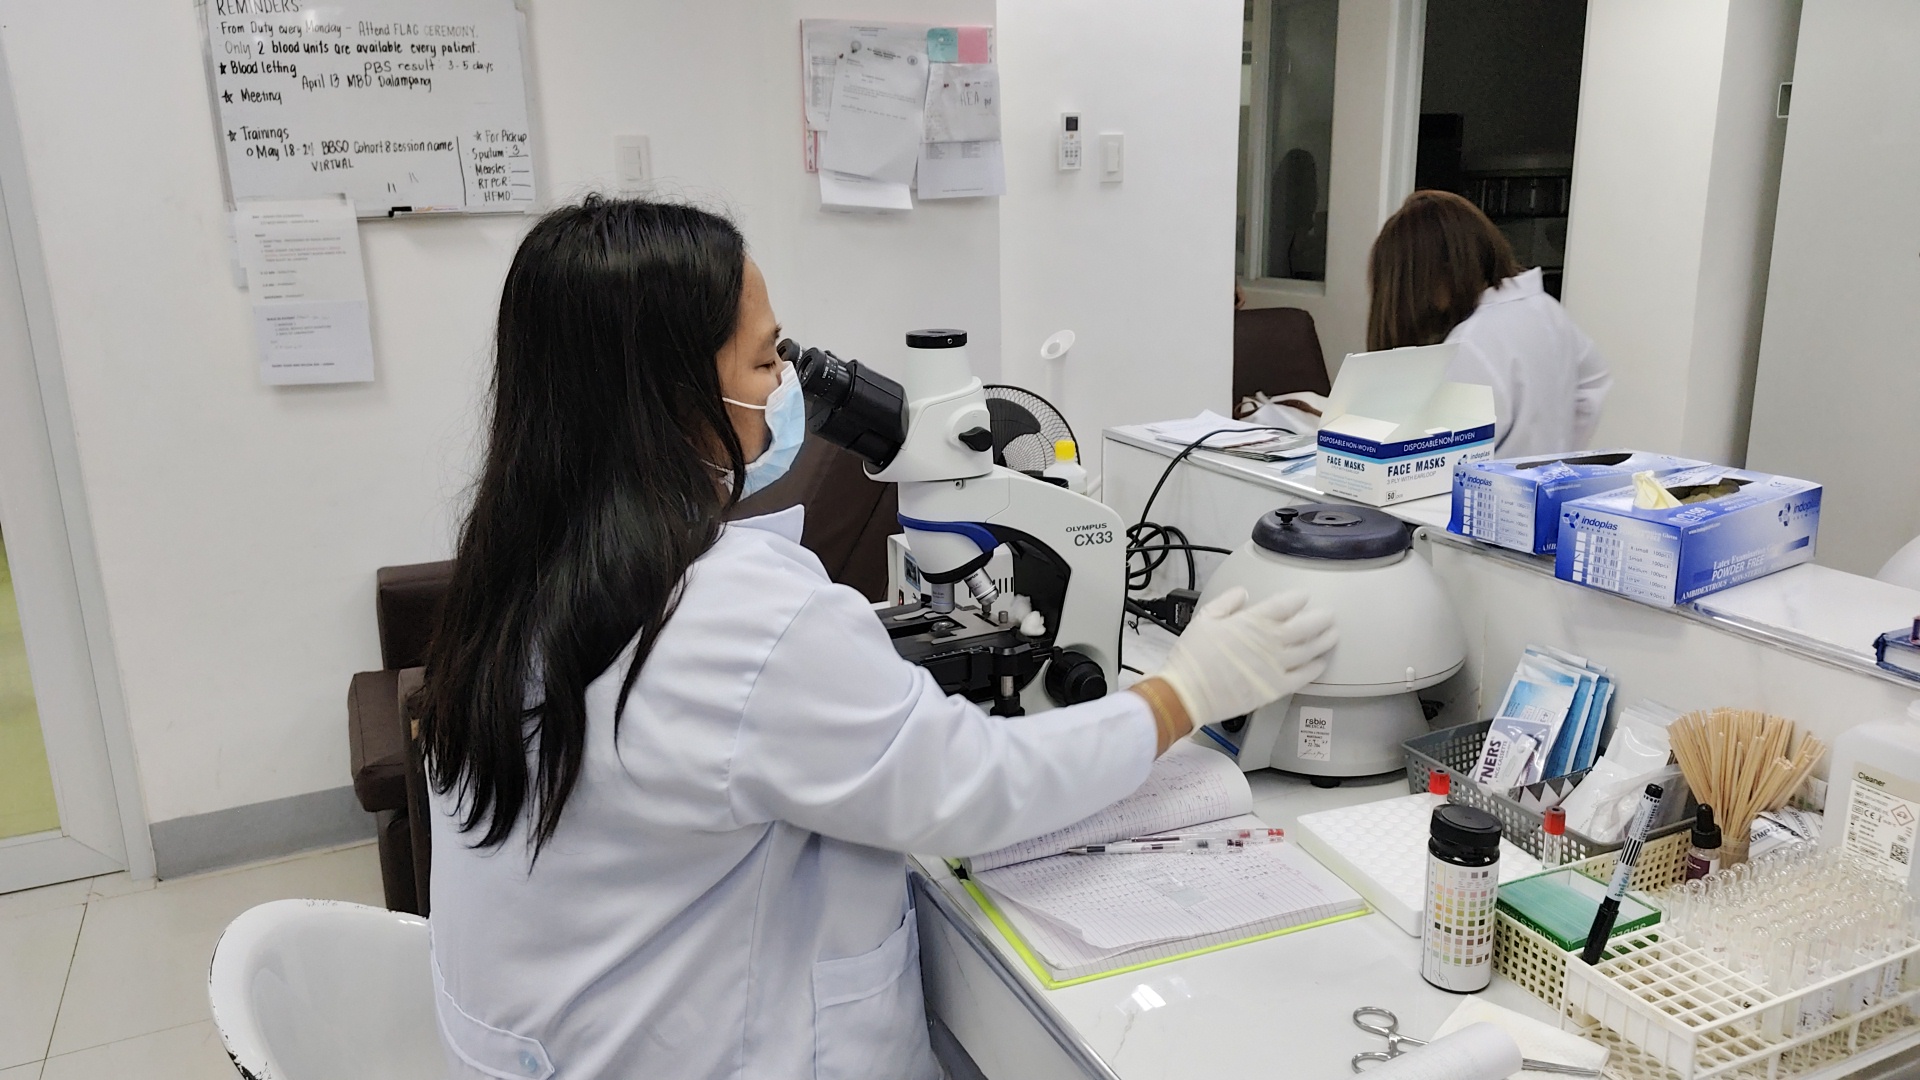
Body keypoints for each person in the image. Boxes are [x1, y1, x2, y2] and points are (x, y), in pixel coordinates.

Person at [416, 197, 1340, 1080]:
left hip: (549, 1039)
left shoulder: (522, 565)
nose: (789, 386)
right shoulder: (732, 618)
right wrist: (1181, 694)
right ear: (669, 399)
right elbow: (977, 784)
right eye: (766, 361)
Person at [1366, 190, 1611, 458]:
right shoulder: (1545, 309)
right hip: (1541, 482)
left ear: (1432, 274)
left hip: (1484, 492)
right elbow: (1594, 383)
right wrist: (1557, 449)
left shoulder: (1472, 342)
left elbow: (1434, 459)